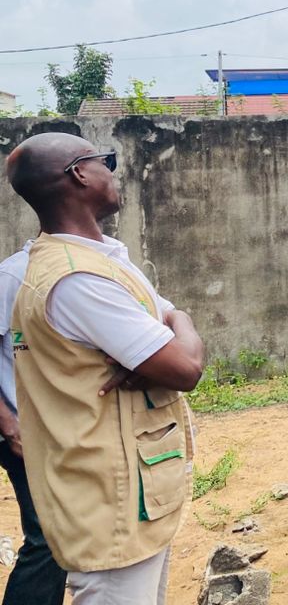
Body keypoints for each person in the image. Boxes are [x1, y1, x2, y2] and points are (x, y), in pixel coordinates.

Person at [4, 133, 204, 605]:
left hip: (133, 488)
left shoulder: (100, 260)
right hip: (108, 501)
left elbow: (173, 321)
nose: (113, 172)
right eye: (105, 161)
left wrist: (179, 322)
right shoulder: (76, 278)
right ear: (79, 173)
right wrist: (178, 330)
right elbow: (187, 366)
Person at [0, 241, 66, 605]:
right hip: (21, 432)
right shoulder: (14, 274)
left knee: (63, 535)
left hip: (56, 431)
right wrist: (10, 426)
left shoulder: (77, 267)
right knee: (48, 535)